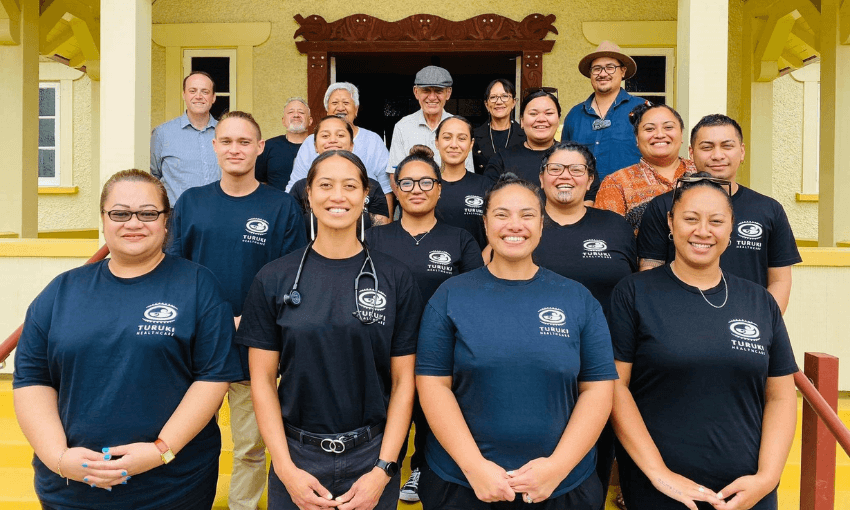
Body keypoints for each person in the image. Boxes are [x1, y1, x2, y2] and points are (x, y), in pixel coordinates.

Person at [13, 169, 244, 510]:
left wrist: (159, 450)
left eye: (148, 213)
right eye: (120, 213)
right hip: (72, 488)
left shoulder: (197, 285)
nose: (133, 223)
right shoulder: (62, 291)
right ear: (104, 221)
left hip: (172, 486)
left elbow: (213, 377)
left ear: (166, 222)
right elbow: (32, 380)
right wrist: (58, 458)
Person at [416, 173, 618, 509]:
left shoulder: (577, 298)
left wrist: (557, 467)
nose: (515, 225)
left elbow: (598, 390)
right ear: (485, 222)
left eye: (527, 215)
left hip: (562, 487)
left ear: (541, 224)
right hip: (462, 485)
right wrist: (474, 467)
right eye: (501, 214)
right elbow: (433, 385)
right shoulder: (450, 296)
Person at [236, 150, 423, 510]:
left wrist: (383, 470)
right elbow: (261, 382)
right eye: (325, 185)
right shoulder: (274, 278)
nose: (338, 195)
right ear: (308, 193)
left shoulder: (395, 279)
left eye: (350, 186)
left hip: (371, 458)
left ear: (365, 195)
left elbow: (404, 383)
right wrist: (287, 470)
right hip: (297, 458)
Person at [609, 174, 798, 510]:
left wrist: (767, 478)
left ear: (731, 228)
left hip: (747, 490)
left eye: (716, 221)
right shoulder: (635, 293)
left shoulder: (759, 301)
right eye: (690, 219)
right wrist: (658, 473)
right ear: (671, 222)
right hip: (663, 489)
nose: (702, 231)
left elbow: (781, 396)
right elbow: (614, 388)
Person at [167, 111, 307, 510]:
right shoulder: (191, 203)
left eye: (244, 142)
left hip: (255, 347)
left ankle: (242, 506)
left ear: (259, 148)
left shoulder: (281, 207)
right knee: (186, 441)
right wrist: (210, 318)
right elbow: (175, 271)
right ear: (215, 147)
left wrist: (253, 318)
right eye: (226, 141)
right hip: (196, 347)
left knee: (249, 447)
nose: (235, 149)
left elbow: (293, 277)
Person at [365, 145, 484, 503]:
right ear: (396, 189)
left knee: (435, 418)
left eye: (425, 182)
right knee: (386, 416)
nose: (416, 189)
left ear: (439, 188)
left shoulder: (460, 239)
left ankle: (422, 471)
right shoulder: (374, 239)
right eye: (407, 182)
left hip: (442, 349)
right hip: (384, 348)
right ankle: (383, 472)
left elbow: (474, 295)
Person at [532, 142, 636, 507]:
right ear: (542, 176)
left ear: (591, 180)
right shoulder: (522, 223)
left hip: (600, 366)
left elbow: (636, 290)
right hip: (532, 365)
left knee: (593, 459)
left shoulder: (616, 227)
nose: (566, 176)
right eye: (557, 168)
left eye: (577, 170)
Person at [636, 114, 801, 313]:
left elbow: (780, 280)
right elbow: (650, 272)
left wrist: (765, 325)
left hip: (746, 325)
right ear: (691, 153)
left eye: (727, 146)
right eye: (707, 147)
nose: (717, 155)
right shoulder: (664, 206)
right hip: (680, 319)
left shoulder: (769, 209)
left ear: (742, 152)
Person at [287, 83, 393, 211]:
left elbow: (385, 189)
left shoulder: (373, 140)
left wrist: (386, 228)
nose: (340, 108)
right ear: (327, 110)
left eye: (346, 103)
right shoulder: (310, 141)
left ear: (356, 109)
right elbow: (294, 188)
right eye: (335, 103)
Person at [594, 103, 696, 235]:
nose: (659, 134)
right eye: (649, 129)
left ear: (681, 134)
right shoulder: (616, 183)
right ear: (637, 138)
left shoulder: (701, 172)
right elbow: (609, 240)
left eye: (668, 127)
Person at [562, 41, 647, 196]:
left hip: (633, 199)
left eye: (610, 67)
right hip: (584, 203)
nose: (602, 74)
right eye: (597, 69)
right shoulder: (574, 115)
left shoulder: (642, 109)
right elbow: (564, 158)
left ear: (623, 71)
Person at [288, 115, 390, 237]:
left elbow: (381, 232)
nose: (332, 140)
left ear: (352, 145)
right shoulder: (300, 188)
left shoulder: (371, 186)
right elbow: (291, 229)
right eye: (325, 136)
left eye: (340, 135)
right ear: (315, 146)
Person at [387, 66, 474, 198]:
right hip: (414, 202)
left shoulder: (459, 126)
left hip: (454, 200)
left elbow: (468, 173)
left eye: (438, 91)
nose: (432, 97)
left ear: (448, 93)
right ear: (416, 92)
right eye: (426, 91)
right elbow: (395, 174)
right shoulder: (403, 126)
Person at [151, 71, 221, 205]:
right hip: (176, 215)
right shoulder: (162, 133)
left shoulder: (226, 133)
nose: (198, 96)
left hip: (219, 212)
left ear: (213, 97)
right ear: (184, 95)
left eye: (205, 92)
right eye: (192, 91)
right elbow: (153, 176)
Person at [434, 116, 492, 249]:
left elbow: (497, 233)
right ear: (437, 142)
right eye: (447, 137)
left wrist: (481, 263)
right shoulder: (423, 186)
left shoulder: (486, 186)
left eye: (462, 138)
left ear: (471, 144)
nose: (454, 145)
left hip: (477, 267)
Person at [484, 89, 561, 186]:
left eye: (549, 113)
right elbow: (489, 197)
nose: (541, 119)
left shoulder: (573, 157)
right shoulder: (501, 160)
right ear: (522, 121)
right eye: (533, 114)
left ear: (558, 119)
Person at [255, 97, 312, 191]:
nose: (296, 115)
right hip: (276, 204)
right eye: (290, 112)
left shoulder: (317, 146)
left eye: (301, 112)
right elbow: (259, 182)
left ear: (310, 121)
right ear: (283, 121)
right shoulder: (268, 146)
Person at [472, 79, 526, 174]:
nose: (499, 102)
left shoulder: (525, 135)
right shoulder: (474, 136)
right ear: (486, 105)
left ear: (514, 102)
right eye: (493, 97)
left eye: (505, 96)